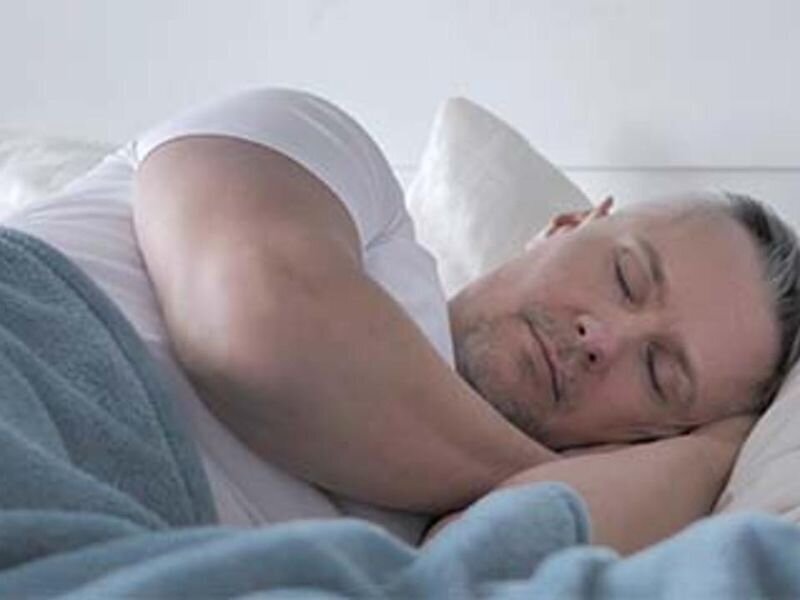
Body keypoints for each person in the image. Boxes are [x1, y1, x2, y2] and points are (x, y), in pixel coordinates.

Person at [5, 87, 800, 552]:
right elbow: (253, 330)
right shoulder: (335, 165)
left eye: (660, 374)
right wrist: (530, 474)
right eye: (625, 277)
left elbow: (487, 572)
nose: (606, 338)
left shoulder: (440, 539)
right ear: (564, 226)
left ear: (646, 444)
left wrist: (714, 452)